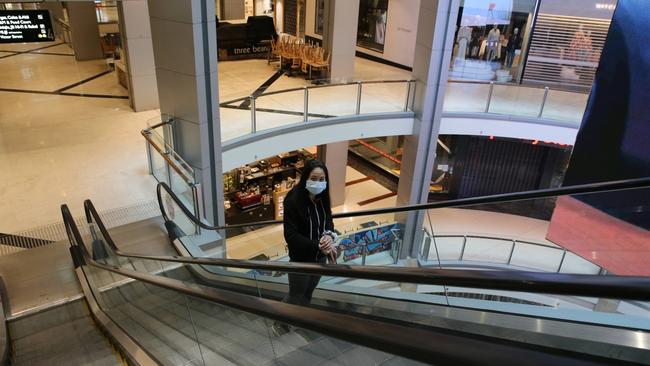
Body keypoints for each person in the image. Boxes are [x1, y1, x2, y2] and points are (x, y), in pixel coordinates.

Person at [272, 159, 338, 335]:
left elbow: (329, 221)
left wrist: (329, 236)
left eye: (322, 179)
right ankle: (280, 322)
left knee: (308, 292)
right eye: (314, 178)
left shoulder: (322, 197)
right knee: (295, 295)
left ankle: (301, 318)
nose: (318, 183)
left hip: (319, 258)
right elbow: (291, 236)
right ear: (306, 178)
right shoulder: (292, 200)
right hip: (300, 260)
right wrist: (318, 245)